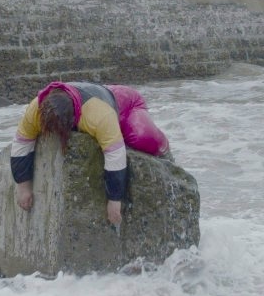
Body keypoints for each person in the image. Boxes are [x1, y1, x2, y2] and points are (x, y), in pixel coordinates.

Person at [10, 81, 170, 226]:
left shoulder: (97, 114)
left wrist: (114, 201)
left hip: (126, 103)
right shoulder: (36, 109)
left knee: (143, 137)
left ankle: (165, 147)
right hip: (97, 97)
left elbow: (115, 155)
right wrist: (23, 187)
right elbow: (22, 142)